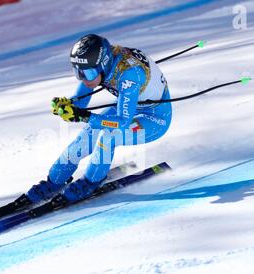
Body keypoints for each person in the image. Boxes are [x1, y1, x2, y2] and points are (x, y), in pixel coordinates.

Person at [25, 34, 172, 204]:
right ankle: (53, 182)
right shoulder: (98, 65)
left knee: (109, 136)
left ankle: (90, 183)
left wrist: (85, 116)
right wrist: (68, 105)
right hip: (130, 108)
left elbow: (123, 122)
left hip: (154, 119)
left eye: (87, 73)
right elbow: (81, 100)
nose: (83, 79)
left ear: (101, 65)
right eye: (78, 72)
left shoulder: (129, 75)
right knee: (87, 135)